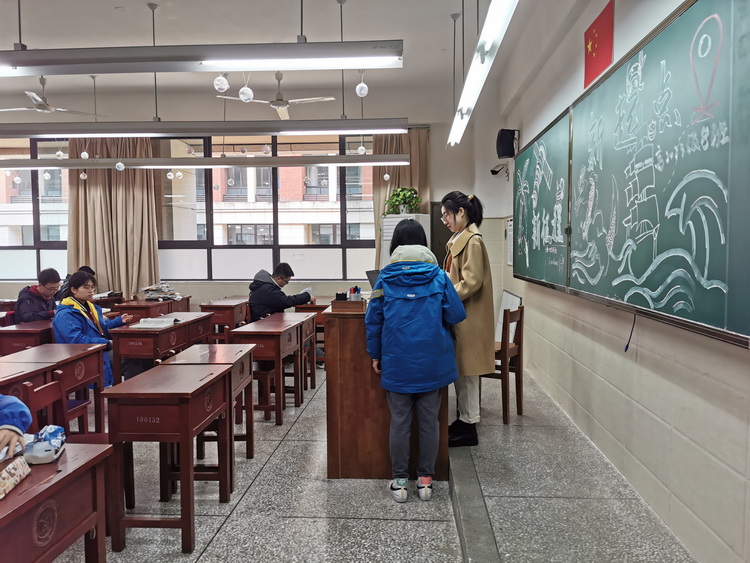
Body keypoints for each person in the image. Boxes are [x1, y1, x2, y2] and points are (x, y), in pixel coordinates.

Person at [365, 219, 466, 503]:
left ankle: (399, 483)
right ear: (423, 243)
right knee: (429, 422)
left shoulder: (385, 278)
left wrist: (375, 354)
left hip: (397, 360)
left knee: (399, 422)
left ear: (395, 245)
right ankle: (425, 483)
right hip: (433, 361)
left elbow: (373, 320)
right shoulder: (439, 276)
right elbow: (456, 314)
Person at [441, 191, 495, 448]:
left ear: (461, 212)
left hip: (469, 316)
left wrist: (446, 295)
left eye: (447, 215)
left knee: (468, 372)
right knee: (462, 371)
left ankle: (469, 425)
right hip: (462, 314)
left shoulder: (472, 241)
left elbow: (472, 282)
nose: (444, 220)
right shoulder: (460, 239)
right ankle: (464, 420)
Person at [52, 271, 134, 387]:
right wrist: (107, 343)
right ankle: (128, 393)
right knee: (130, 355)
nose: (91, 291)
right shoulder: (66, 314)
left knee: (137, 352)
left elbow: (101, 328)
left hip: (98, 348)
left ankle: (135, 391)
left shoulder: (90, 307)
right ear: (73, 289)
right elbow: (77, 341)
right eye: (86, 287)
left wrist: (119, 321)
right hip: (85, 354)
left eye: (92, 287)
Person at [248, 262, 316, 322]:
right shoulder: (268, 289)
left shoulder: (266, 286)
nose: (286, 284)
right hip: (263, 323)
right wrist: (307, 296)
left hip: (268, 320)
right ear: (278, 278)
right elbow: (286, 302)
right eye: (286, 282)